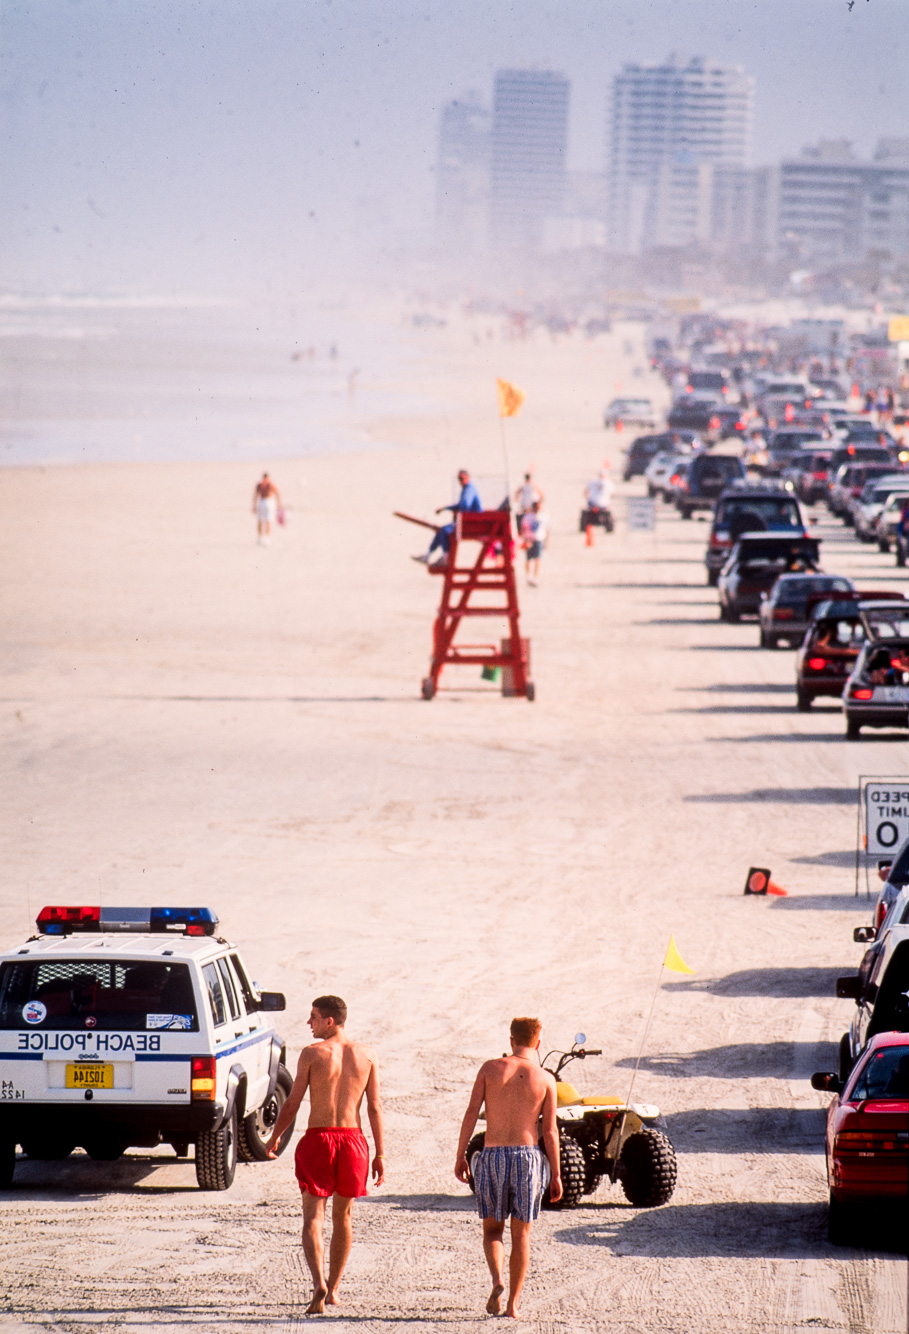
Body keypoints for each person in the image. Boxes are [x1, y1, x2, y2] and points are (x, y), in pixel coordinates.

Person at [266, 995, 385, 1316]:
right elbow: (374, 1107)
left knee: (312, 1219)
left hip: (319, 1139)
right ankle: (333, 1290)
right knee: (343, 1218)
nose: (309, 1023)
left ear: (329, 1021)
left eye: (314, 1017)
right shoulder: (368, 1055)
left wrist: (273, 1137)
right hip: (354, 1142)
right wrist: (380, 1154)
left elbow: (291, 1103)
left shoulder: (312, 1054)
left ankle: (318, 1282)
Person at [455, 1017, 561, 1320]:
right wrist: (556, 1173)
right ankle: (513, 1305)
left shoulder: (490, 1069)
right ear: (538, 1043)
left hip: (492, 1155)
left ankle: (498, 1280)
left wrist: (461, 1154)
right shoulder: (545, 1079)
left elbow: (471, 1114)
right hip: (528, 1157)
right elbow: (550, 1131)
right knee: (522, 1235)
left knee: (492, 1231)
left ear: (511, 1038)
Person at [414, 469, 483, 565]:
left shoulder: (469, 489)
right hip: (467, 522)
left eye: (462, 478)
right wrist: (445, 508)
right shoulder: (466, 489)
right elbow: (462, 505)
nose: (461, 481)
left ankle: (445, 557)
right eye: (459, 479)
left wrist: (458, 513)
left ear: (468, 478)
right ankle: (428, 555)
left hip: (470, 524)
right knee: (441, 531)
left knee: (444, 530)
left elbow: (465, 505)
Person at [520, 501, 549, 587]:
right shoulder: (528, 517)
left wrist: (546, 542)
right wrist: (524, 539)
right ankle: (528, 577)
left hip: (539, 539)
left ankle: (536, 577)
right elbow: (523, 528)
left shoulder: (544, 516)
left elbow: (547, 530)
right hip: (529, 539)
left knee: (537, 559)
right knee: (529, 559)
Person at [253, 473, 282, 545]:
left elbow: (255, 496)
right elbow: (277, 493)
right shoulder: (270, 484)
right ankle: (267, 537)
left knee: (260, 520)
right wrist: (279, 504)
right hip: (269, 502)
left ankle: (259, 538)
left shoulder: (259, 485)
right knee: (268, 521)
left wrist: (254, 505)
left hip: (261, 502)